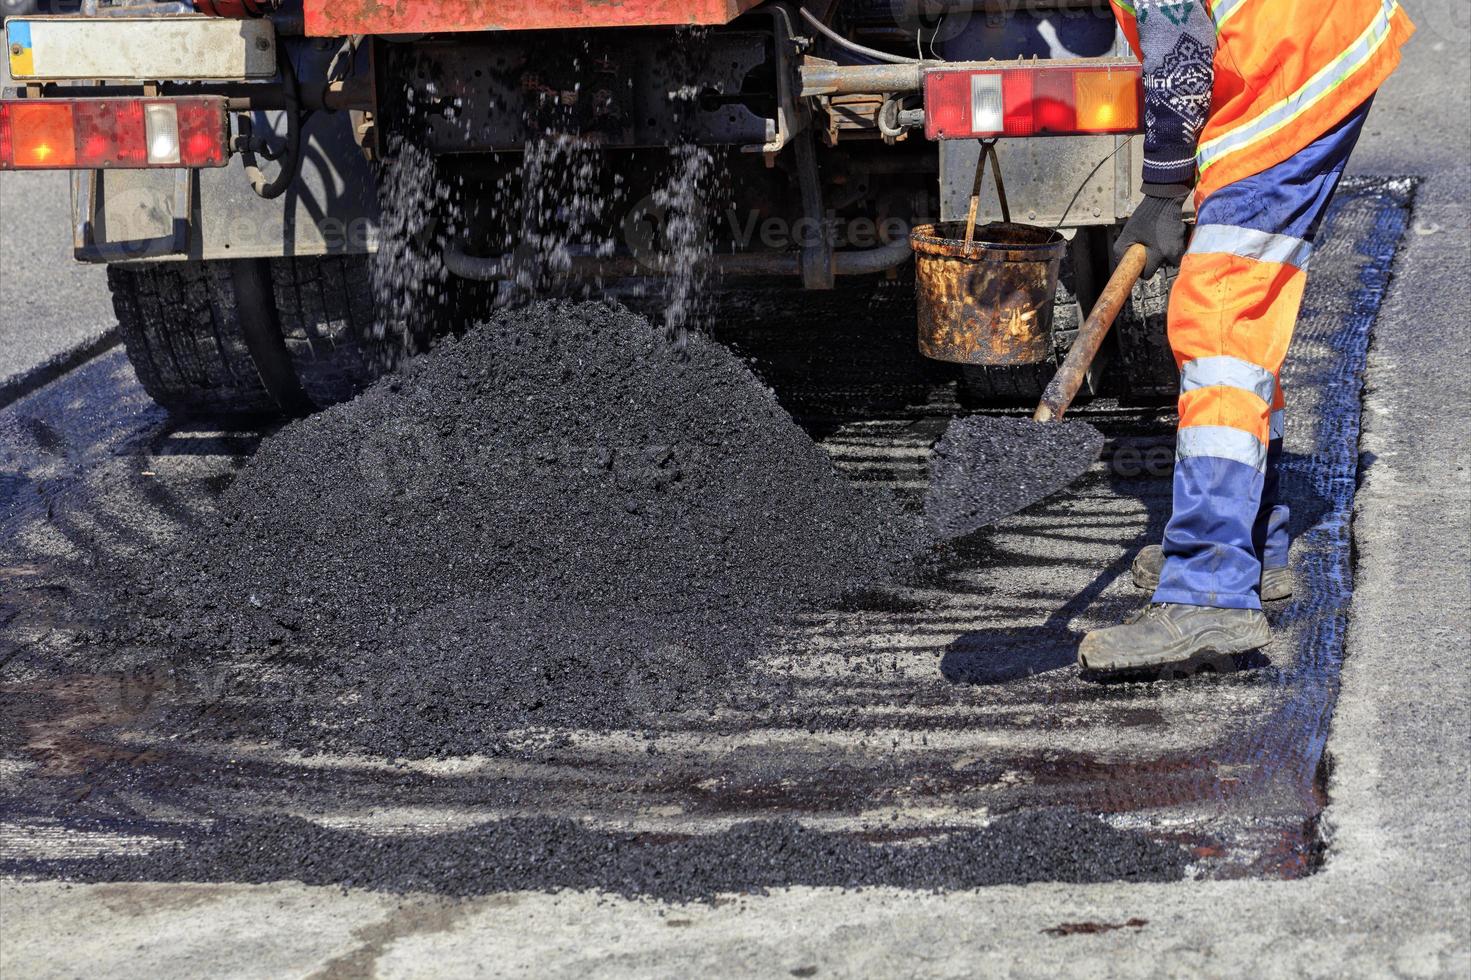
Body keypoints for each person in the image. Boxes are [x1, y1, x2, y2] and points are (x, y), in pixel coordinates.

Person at [1079, 0, 1415, 675]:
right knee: (1242, 309)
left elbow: (1178, 41)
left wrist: (1161, 190)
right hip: (1307, 39)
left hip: (1289, 61)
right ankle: (1252, 544)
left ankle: (1207, 583)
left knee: (1219, 313)